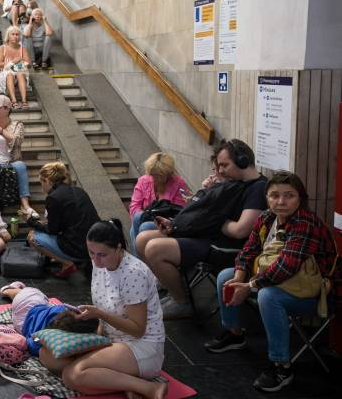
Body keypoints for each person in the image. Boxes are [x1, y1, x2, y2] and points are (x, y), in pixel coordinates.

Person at [205, 171, 338, 392]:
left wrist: (249, 287)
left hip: (315, 292)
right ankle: (234, 333)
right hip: (280, 281)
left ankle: (281, 366)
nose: (281, 202)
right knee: (225, 277)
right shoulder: (267, 218)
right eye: (274, 195)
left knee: (268, 296)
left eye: (289, 196)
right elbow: (247, 251)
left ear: (300, 198)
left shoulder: (306, 223)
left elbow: (287, 266)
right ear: (267, 197)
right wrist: (239, 279)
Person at [136, 139, 268, 319]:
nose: (220, 171)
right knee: (142, 238)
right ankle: (174, 287)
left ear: (243, 161)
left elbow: (240, 231)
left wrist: (215, 220)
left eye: (224, 165)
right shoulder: (234, 182)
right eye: (218, 166)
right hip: (209, 235)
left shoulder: (258, 188)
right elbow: (205, 213)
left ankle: (182, 302)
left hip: (226, 247)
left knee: (154, 249)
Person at [37, 220, 168, 399]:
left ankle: (147, 388)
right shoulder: (100, 264)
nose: (96, 260)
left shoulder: (133, 273)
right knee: (47, 355)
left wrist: (100, 315)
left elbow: (138, 329)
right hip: (111, 339)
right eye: (91, 253)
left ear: (118, 248)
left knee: (72, 375)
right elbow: (102, 311)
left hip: (140, 344)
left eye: (102, 255)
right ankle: (119, 380)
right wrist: (94, 334)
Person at [28, 162, 100, 278]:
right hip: (93, 244)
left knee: (33, 237)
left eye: (41, 182)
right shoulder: (78, 191)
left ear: (47, 181)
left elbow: (53, 230)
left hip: (77, 248)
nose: (41, 186)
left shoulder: (53, 197)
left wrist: (33, 223)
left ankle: (67, 263)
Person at [0, 95, 38, 217]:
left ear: (7, 109)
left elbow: (17, 141)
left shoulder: (17, 125)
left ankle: (25, 205)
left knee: (20, 165)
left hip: (10, 160)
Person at [128, 152, 190, 251]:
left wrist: (155, 219)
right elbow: (134, 207)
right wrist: (147, 216)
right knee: (137, 218)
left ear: (168, 174)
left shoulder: (179, 184)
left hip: (167, 225)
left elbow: (180, 213)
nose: (154, 178)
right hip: (145, 218)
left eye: (159, 175)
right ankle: (141, 262)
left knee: (145, 227)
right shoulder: (143, 180)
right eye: (153, 174)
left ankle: (140, 261)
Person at [0, 26, 31, 108]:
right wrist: (13, 62)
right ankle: (13, 100)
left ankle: (24, 100)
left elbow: (28, 64)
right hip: (6, 72)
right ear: (8, 36)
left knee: (20, 74)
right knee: (10, 74)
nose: (15, 36)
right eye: (13, 34)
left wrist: (20, 64)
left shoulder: (23, 49)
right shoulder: (2, 48)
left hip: (20, 71)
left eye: (17, 34)